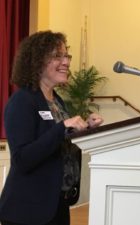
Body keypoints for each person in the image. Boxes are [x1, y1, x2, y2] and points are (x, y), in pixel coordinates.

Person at [0, 30, 104, 225]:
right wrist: (62, 127)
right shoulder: (23, 100)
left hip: (57, 204)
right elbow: (22, 159)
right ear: (37, 61)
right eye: (57, 56)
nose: (66, 62)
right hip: (28, 211)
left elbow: (61, 143)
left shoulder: (57, 101)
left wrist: (86, 128)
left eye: (66, 55)